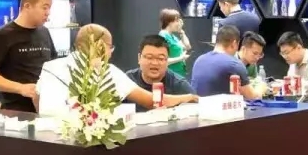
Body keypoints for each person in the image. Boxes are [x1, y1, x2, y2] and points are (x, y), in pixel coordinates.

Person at [37, 25, 195, 115]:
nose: (111, 53)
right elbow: (152, 101)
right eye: (109, 47)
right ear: (100, 46)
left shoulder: (50, 67)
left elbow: (36, 97)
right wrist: (190, 97)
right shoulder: (107, 72)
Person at [0, 0, 56, 114]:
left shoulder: (44, 32)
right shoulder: (2, 35)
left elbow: (53, 66)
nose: (48, 13)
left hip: (46, 109)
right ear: (27, 6)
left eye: (49, 8)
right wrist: (21, 88)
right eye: (44, 7)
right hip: (14, 112)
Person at [126, 34, 197, 110]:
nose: (155, 63)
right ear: (139, 58)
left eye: (160, 58)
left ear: (167, 61)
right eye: (149, 57)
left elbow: (196, 101)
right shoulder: (127, 80)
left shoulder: (179, 84)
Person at [190, 25, 259, 100]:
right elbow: (252, 97)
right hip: (220, 106)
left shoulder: (199, 60)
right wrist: (262, 87)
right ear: (234, 43)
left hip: (198, 105)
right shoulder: (234, 64)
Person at [158, 9, 192, 77]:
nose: (179, 23)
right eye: (177, 21)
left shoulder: (173, 37)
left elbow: (188, 46)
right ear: (169, 22)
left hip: (179, 75)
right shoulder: (163, 36)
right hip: (170, 76)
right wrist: (181, 58)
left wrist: (181, 32)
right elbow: (162, 61)